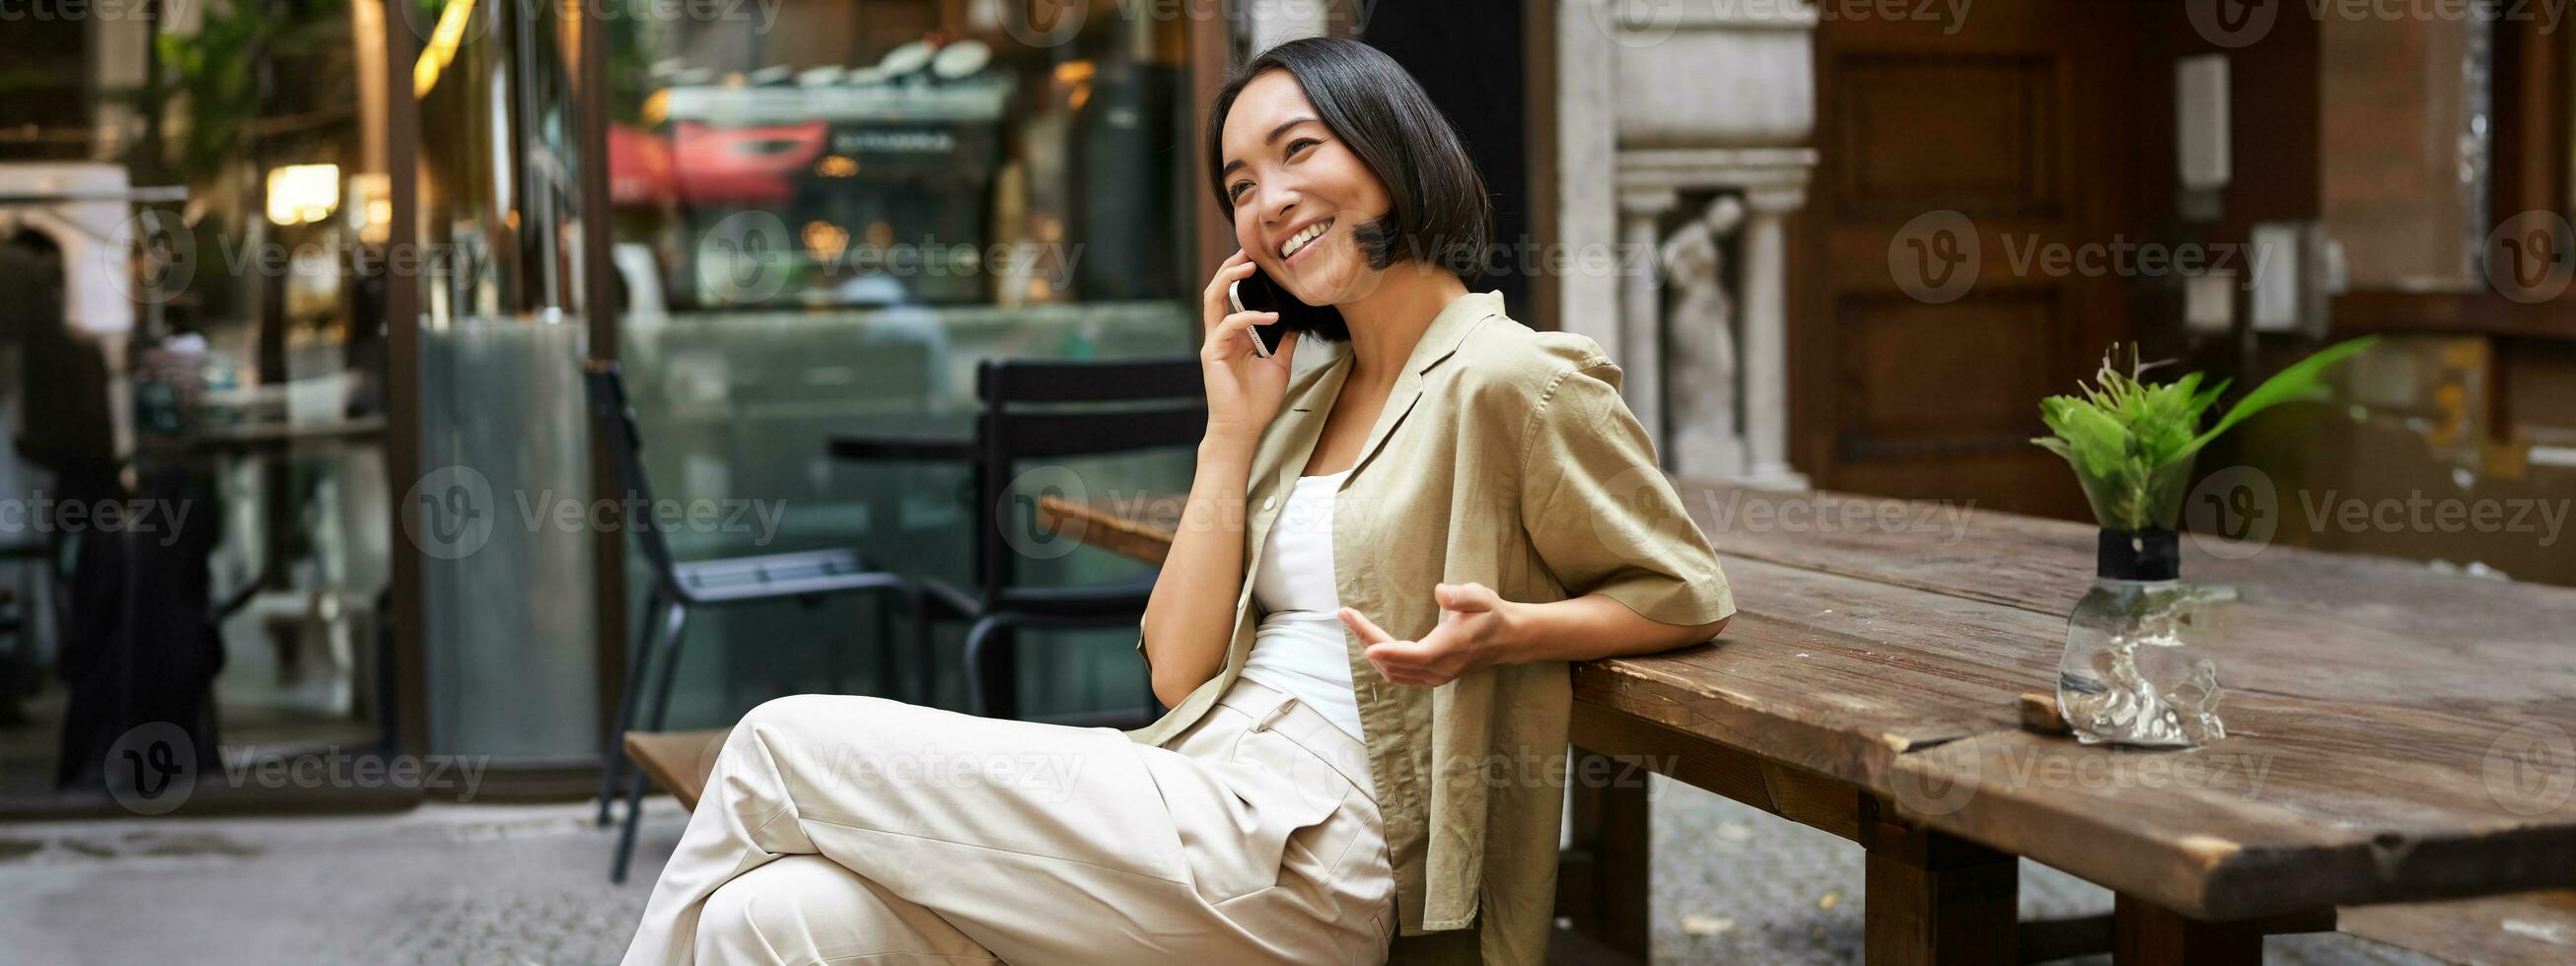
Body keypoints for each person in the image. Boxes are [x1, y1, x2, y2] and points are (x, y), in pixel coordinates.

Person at [620, 36, 1735, 966]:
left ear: (1391, 152)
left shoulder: (1507, 375)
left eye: (1298, 151)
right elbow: (1174, 669)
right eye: (1241, 186)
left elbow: (1683, 590)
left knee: (775, 739)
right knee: (770, 918)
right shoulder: (1300, 399)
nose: (1268, 201)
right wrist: (1231, 430)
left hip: (1313, 848)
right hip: (1192, 786)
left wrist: (1511, 634)